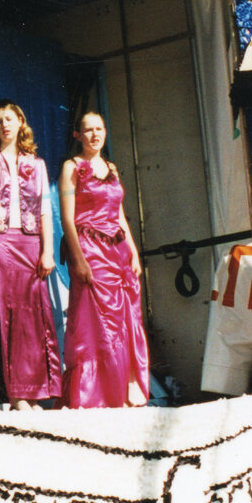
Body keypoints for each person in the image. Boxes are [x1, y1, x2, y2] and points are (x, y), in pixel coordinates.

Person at [59, 111, 150, 408]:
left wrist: (133, 250)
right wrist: (79, 259)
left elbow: (119, 212)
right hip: (89, 247)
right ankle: (94, 395)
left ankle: (122, 389)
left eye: (99, 128)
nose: (95, 135)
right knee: (95, 320)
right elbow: (67, 219)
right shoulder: (71, 167)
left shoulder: (110, 167)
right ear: (78, 135)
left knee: (124, 317)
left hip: (118, 249)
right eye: (88, 130)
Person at [0, 99, 61, 410]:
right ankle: (14, 395)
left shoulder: (36, 164)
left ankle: (36, 391)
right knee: (6, 316)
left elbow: (44, 214)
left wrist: (48, 251)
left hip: (31, 244)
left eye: (9, 119)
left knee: (34, 318)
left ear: (20, 122)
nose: (4, 125)